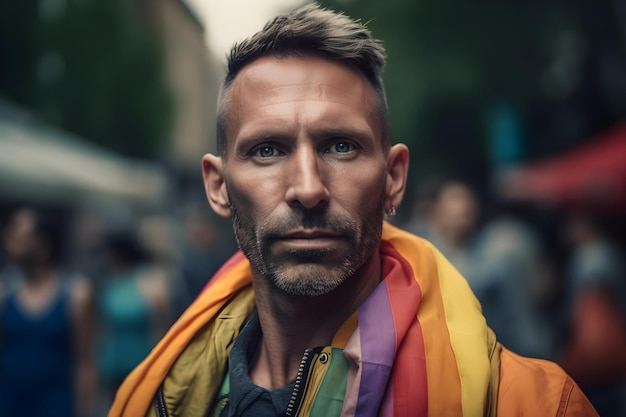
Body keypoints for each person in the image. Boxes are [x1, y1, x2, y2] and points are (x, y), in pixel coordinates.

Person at [109, 4, 598, 416]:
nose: (307, 188)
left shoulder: (538, 404)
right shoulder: (163, 396)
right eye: (267, 151)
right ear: (218, 187)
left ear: (393, 178)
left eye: (341, 146)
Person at [0, 207, 95, 417]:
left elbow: (84, 361)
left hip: (56, 406)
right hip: (8, 404)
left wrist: (84, 409)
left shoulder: (76, 294)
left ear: (43, 245)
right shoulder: (5, 290)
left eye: (18, 235)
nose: (9, 240)